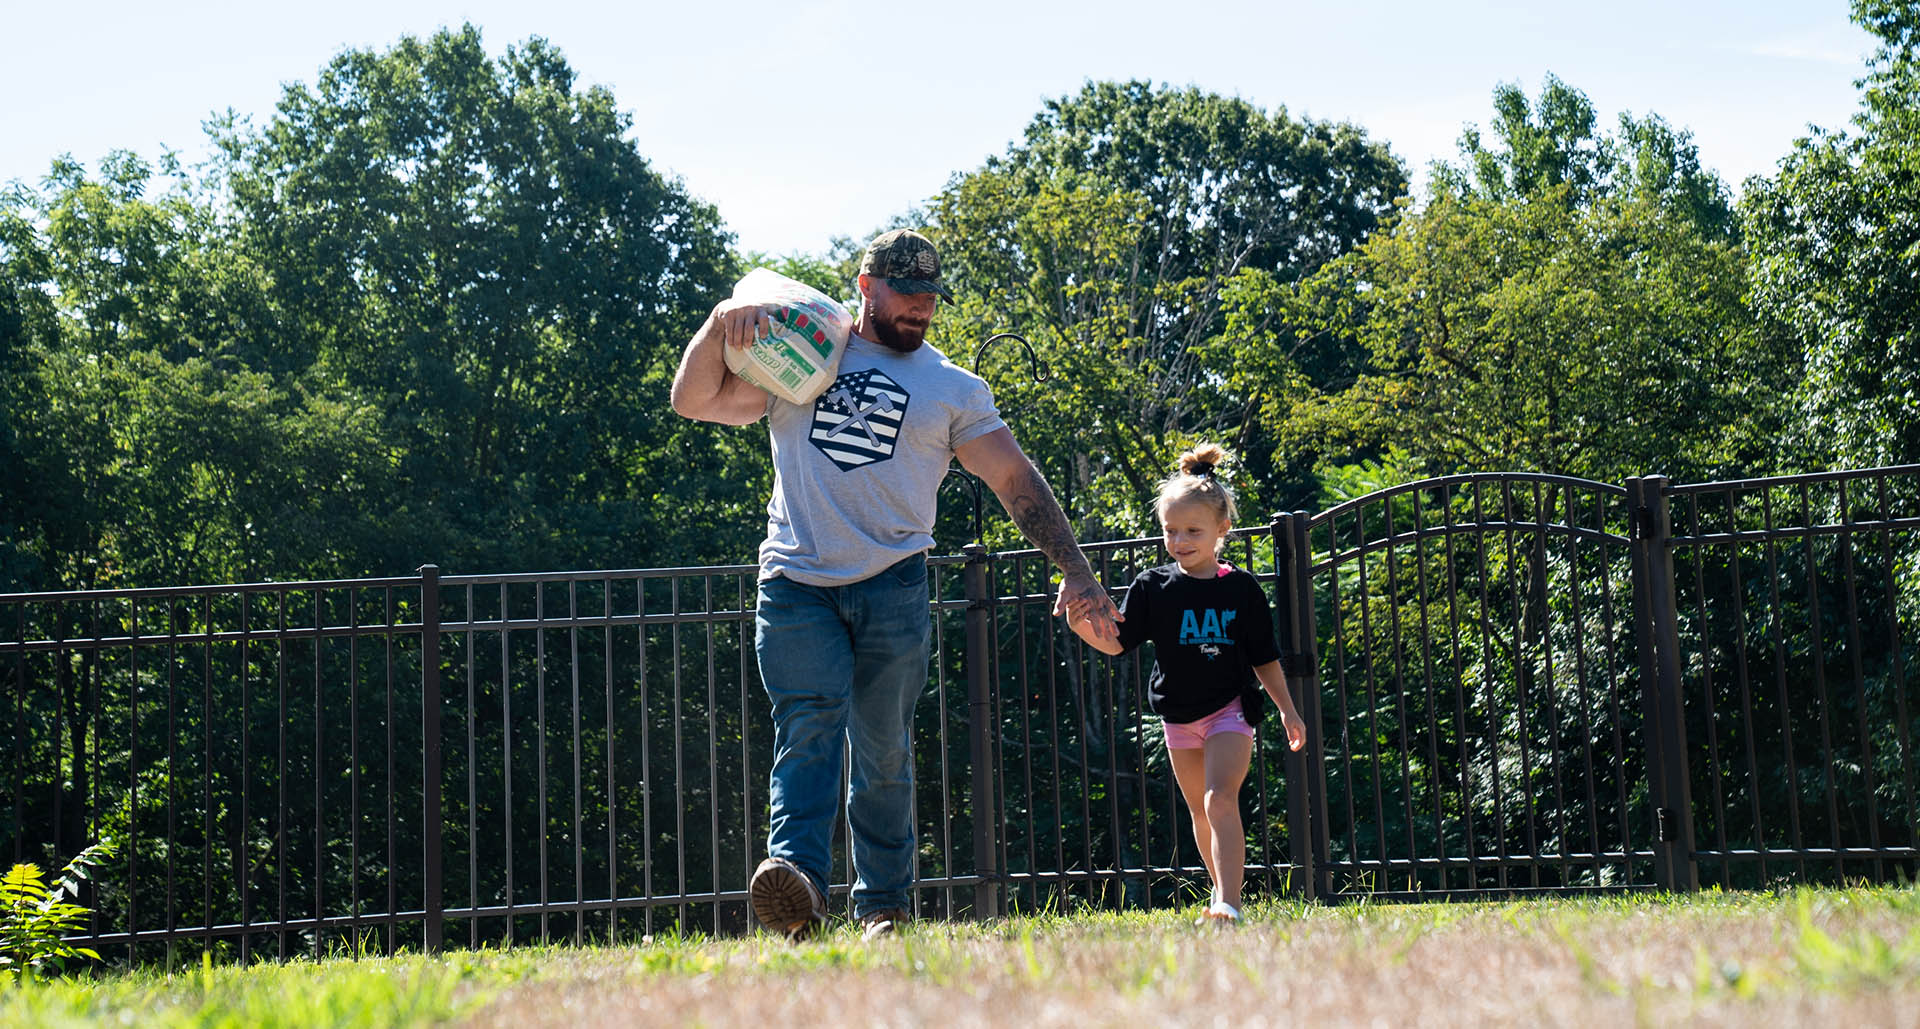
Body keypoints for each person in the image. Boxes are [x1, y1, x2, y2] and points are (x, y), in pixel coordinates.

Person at [670, 229, 1121, 941]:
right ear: (865, 286)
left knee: (882, 747)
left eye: (929, 299)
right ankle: (800, 886)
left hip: (893, 586)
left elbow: (1013, 478)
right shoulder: (804, 351)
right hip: (796, 582)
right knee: (807, 732)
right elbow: (694, 399)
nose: (919, 311)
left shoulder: (951, 386)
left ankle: (881, 904)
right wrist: (719, 324)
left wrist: (1077, 571)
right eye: (905, 296)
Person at [1065, 443, 1307, 925]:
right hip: (1178, 716)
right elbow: (1119, 644)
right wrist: (1079, 627)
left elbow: (1264, 657)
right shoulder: (1152, 587)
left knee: (1221, 798)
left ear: (1223, 531)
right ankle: (1220, 892)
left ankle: (1230, 904)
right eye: (1171, 531)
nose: (1180, 540)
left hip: (1229, 711)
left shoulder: (1241, 589)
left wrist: (1287, 708)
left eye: (1193, 531)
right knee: (1200, 810)